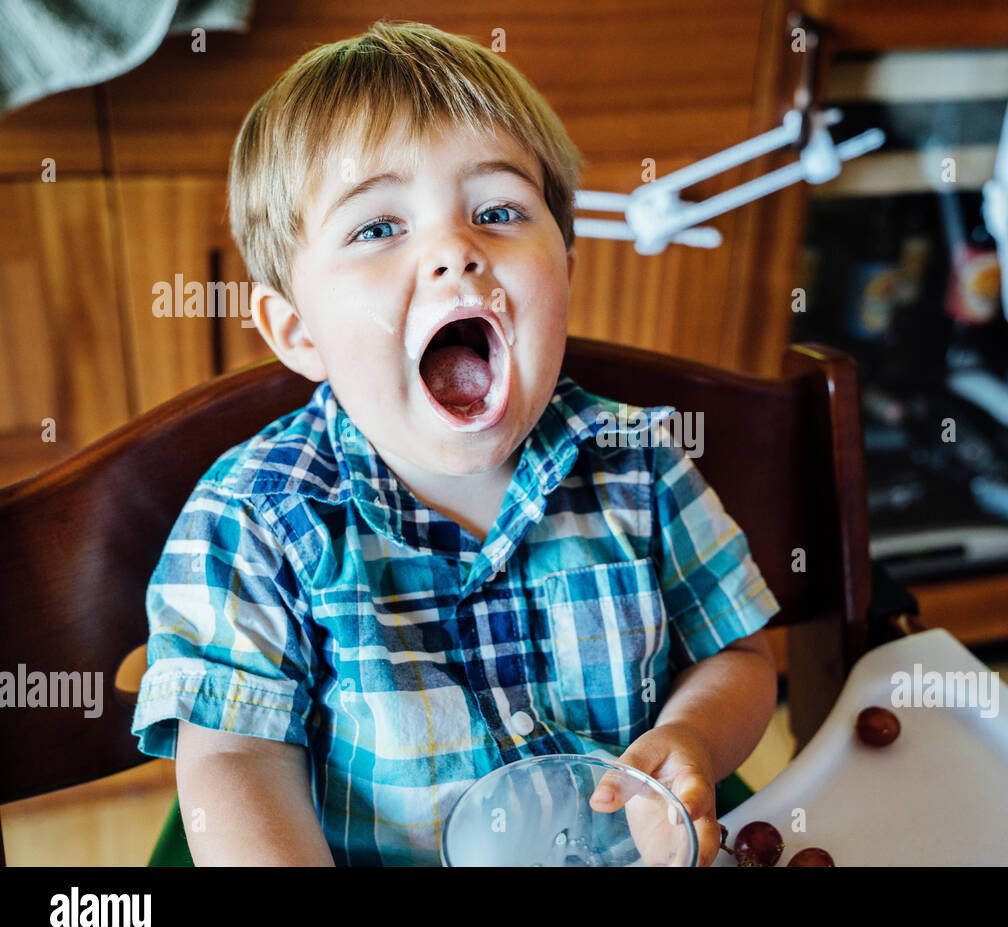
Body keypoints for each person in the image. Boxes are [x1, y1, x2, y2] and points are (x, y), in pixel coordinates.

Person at [131, 20, 779, 866]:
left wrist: (694, 734)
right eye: (376, 228)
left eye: (499, 211)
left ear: (568, 272)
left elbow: (738, 652)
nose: (456, 252)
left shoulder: (638, 460)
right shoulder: (254, 519)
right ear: (298, 332)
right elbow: (234, 763)